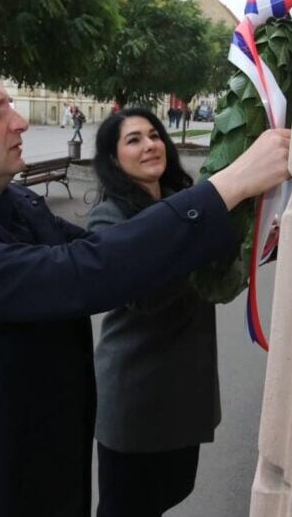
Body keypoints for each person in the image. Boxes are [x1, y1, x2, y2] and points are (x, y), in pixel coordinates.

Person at [0, 56, 291, 516]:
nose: (20, 122)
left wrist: (253, 232)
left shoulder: (10, 202)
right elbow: (80, 272)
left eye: (11, 106)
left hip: (55, 483)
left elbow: (113, 253)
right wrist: (227, 185)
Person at [89, 108, 222, 517]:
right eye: (133, 140)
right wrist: (204, 234)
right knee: (126, 507)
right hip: (137, 399)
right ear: (114, 159)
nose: (150, 145)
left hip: (185, 394)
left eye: (154, 135)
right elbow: (143, 295)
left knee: (171, 491)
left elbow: (216, 270)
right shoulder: (109, 217)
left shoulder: (183, 202)